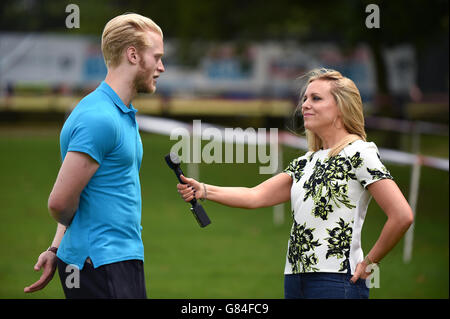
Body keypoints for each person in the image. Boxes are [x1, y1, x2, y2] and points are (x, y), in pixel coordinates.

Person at [177, 68, 414, 299]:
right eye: (305, 99)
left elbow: (402, 215)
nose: (305, 105)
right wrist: (205, 190)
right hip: (294, 279)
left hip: (336, 280)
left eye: (316, 98)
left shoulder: (360, 153)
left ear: (341, 108)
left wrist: (370, 262)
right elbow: (255, 195)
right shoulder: (305, 162)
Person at [23, 13, 165, 298]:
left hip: (117, 258)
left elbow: (81, 192)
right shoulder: (98, 118)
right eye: (157, 57)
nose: (161, 67)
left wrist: (57, 246)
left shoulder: (117, 112)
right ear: (133, 55)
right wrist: (70, 247)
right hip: (99, 262)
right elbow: (60, 201)